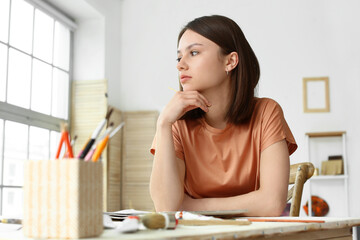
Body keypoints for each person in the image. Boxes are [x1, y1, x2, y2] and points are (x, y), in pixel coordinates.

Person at [149, 15, 297, 216]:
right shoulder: (175, 124)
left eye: (193, 52)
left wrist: (189, 206)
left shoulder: (266, 112)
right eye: (179, 57)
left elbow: (271, 203)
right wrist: (163, 124)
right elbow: (166, 208)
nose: (180, 65)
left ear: (230, 61)